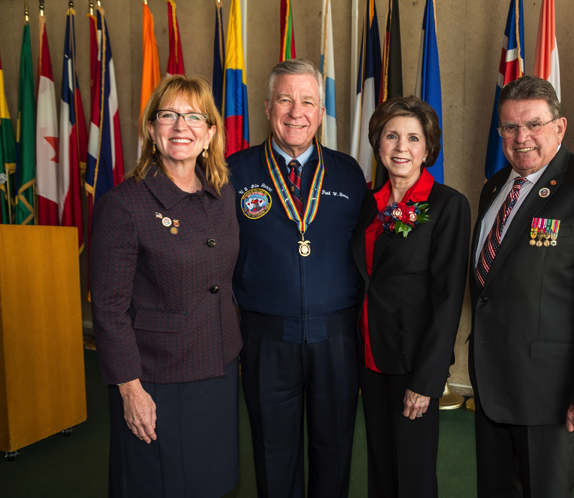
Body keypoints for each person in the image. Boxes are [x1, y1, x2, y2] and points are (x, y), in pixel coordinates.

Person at [468, 76, 574, 497]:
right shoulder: (494, 186)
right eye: (509, 127)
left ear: (559, 128)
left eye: (533, 125)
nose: (520, 137)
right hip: (492, 386)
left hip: (551, 394)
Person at [90, 75, 242, 497]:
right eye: (169, 115)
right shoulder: (125, 204)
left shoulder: (223, 194)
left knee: (211, 480)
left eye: (194, 116)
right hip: (157, 378)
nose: (181, 127)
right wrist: (130, 388)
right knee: (160, 483)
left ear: (210, 133)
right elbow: (108, 307)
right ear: (152, 129)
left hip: (219, 366)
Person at [228, 59, 368, 498]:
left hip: (336, 338)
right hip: (266, 339)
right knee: (273, 451)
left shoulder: (349, 173)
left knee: (334, 449)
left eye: (307, 100)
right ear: (268, 107)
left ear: (320, 110)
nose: (296, 111)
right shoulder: (233, 172)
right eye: (285, 99)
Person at [352, 96, 470, 497]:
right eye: (391, 136)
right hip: (369, 356)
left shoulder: (448, 205)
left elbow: (449, 299)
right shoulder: (367, 202)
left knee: (414, 474)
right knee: (381, 467)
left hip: (411, 362)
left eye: (413, 138)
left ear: (427, 148)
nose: (401, 147)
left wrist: (428, 380)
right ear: (378, 143)